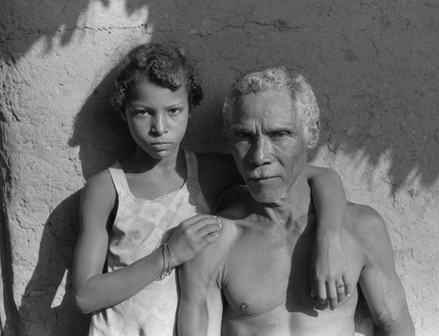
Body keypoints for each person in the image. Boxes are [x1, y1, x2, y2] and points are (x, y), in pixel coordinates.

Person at [72, 43, 352, 336]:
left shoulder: (207, 173)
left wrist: (329, 239)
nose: (159, 127)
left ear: (190, 110)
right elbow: (84, 296)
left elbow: (321, 178)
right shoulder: (108, 188)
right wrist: (169, 255)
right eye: (143, 113)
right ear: (123, 113)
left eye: (173, 111)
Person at [177, 66, 415, 336]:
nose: (259, 156)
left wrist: (328, 236)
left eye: (279, 134)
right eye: (244, 136)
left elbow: (394, 324)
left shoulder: (360, 228)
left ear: (311, 133)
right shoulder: (213, 242)